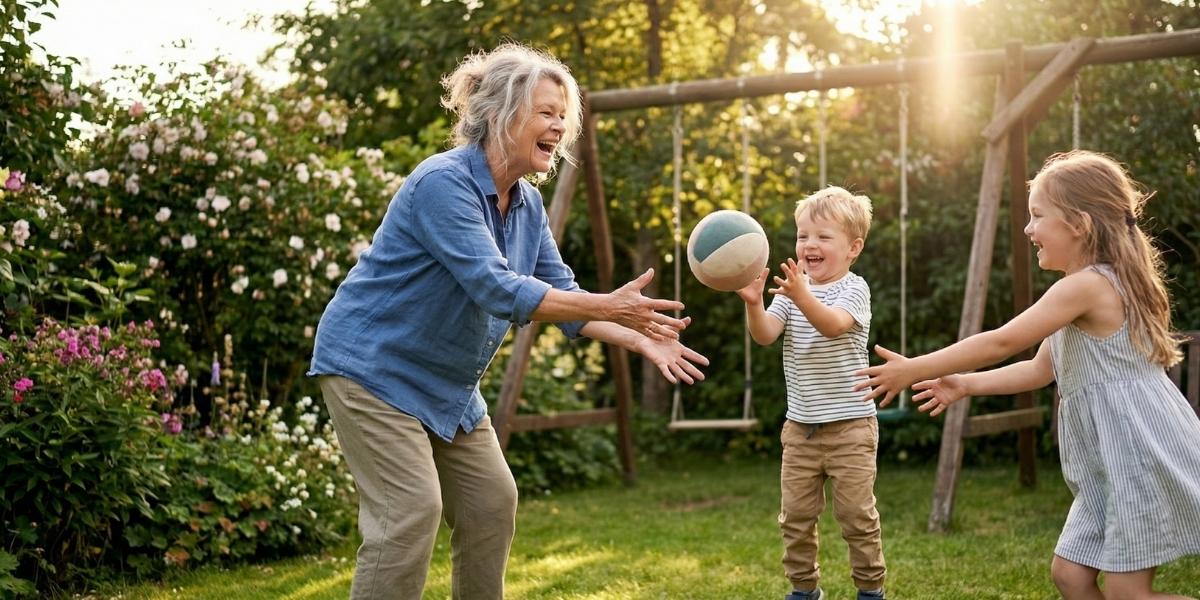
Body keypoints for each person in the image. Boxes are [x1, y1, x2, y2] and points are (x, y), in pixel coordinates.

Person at [308, 43, 709, 600]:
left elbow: (563, 296)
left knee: (491, 502)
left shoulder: (525, 204)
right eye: (545, 111)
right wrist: (608, 307)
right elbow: (498, 288)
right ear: (500, 114)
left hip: (445, 383)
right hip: (373, 369)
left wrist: (639, 339)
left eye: (562, 116)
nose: (558, 125)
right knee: (409, 512)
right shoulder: (442, 184)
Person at [856, 150, 1200, 599]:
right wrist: (965, 384)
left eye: (1038, 216)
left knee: (1127, 594)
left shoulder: (1086, 286)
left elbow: (1002, 341)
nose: (1028, 229)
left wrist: (913, 368)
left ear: (1078, 223)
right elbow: (1040, 369)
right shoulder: (1088, 286)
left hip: (1136, 451)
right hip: (1109, 461)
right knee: (1071, 576)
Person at [736, 187, 887, 600]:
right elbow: (766, 335)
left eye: (823, 236)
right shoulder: (791, 292)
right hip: (800, 430)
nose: (809, 245)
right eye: (803, 236)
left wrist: (801, 295)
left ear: (853, 247)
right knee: (796, 517)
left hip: (851, 428)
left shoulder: (853, 289)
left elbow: (834, 326)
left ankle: (871, 589)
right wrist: (754, 304)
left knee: (856, 515)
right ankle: (804, 589)